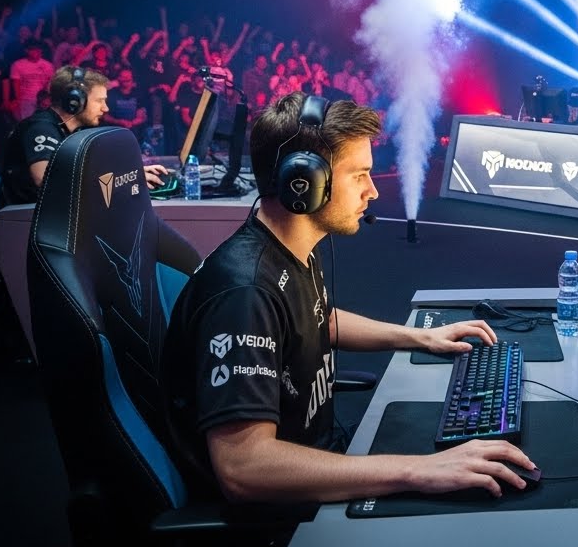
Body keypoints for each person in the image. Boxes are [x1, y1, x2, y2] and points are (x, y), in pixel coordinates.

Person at [160, 92, 534, 505]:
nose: (372, 191)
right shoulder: (244, 294)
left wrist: (420, 337)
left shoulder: (289, 248)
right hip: (287, 516)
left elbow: (316, 317)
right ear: (303, 182)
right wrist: (417, 470)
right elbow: (244, 467)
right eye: (359, 176)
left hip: (324, 463)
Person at [0, 66, 169, 206]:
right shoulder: (41, 128)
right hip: (27, 221)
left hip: (56, 216)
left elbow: (93, 171)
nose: (106, 108)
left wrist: (130, 174)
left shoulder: (74, 131)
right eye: (99, 101)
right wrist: (122, 182)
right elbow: (45, 180)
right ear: (74, 101)